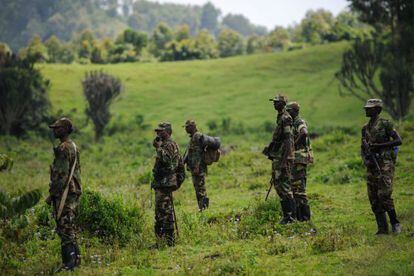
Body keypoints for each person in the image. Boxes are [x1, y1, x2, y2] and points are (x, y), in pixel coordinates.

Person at [361, 99, 403, 235]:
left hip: (384, 164)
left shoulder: (385, 124)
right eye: (366, 108)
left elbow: (398, 140)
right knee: (373, 197)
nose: (366, 110)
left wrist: (379, 146)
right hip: (371, 165)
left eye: (370, 108)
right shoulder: (365, 128)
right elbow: (363, 146)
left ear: (378, 110)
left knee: (384, 194)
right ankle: (382, 229)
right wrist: (365, 158)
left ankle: (395, 223)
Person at [47, 117, 82, 271]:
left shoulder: (62, 148)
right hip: (73, 190)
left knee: (65, 226)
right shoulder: (73, 145)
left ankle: (69, 263)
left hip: (65, 193)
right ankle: (76, 260)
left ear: (65, 130)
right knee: (70, 225)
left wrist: (51, 195)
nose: (54, 130)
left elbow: (60, 176)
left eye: (57, 128)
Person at [264, 94, 295, 224]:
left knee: (285, 186)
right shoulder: (280, 118)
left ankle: (291, 216)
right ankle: (286, 215)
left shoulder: (286, 118)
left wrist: (285, 159)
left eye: (276, 102)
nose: (274, 104)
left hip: (283, 157)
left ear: (282, 104)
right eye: (274, 102)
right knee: (278, 185)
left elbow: (288, 140)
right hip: (278, 157)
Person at [151, 122, 183, 246]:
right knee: (160, 212)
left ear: (168, 132)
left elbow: (169, 163)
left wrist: (158, 148)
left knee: (165, 212)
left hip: (166, 184)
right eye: (157, 131)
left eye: (160, 131)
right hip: (161, 183)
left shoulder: (170, 145)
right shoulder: (165, 145)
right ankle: (160, 241)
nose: (158, 133)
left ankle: (169, 241)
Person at [286, 102, 313, 222]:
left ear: (294, 111)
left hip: (299, 159)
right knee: (295, 189)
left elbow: (304, 133)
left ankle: (305, 219)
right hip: (295, 159)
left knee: (299, 190)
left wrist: (294, 145)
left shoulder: (299, 122)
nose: (287, 112)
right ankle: (299, 218)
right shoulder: (292, 123)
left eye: (289, 110)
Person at [183, 120, 209, 211]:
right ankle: (202, 208)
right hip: (195, 168)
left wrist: (197, 166)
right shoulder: (193, 137)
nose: (185, 129)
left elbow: (198, 153)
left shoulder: (197, 136)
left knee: (200, 189)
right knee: (198, 189)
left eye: (187, 127)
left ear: (192, 127)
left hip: (198, 169)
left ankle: (204, 209)